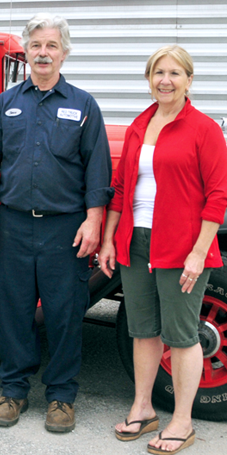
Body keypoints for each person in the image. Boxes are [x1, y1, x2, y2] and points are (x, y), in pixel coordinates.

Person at [0, 13, 113, 432]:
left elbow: (98, 170)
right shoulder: (6, 104)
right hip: (13, 223)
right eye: (36, 45)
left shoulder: (83, 105)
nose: (43, 53)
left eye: (52, 46)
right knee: (13, 309)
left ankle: (62, 397)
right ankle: (13, 390)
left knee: (65, 312)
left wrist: (93, 222)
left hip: (65, 228)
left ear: (64, 53)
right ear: (27, 51)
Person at [100, 46, 227, 454]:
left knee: (182, 335)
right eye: (158, 72)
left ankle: (183, 421)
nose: (165, 80)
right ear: (149, 78)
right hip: (135, 242)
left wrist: (198, 251)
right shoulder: (141, 124)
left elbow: (218, 194)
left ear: (189, 79)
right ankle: (143, 408)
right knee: (143, 330)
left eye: (174, 73)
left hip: (182, 246)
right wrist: (108, 239)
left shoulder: (204, 129)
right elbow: (121, 189)